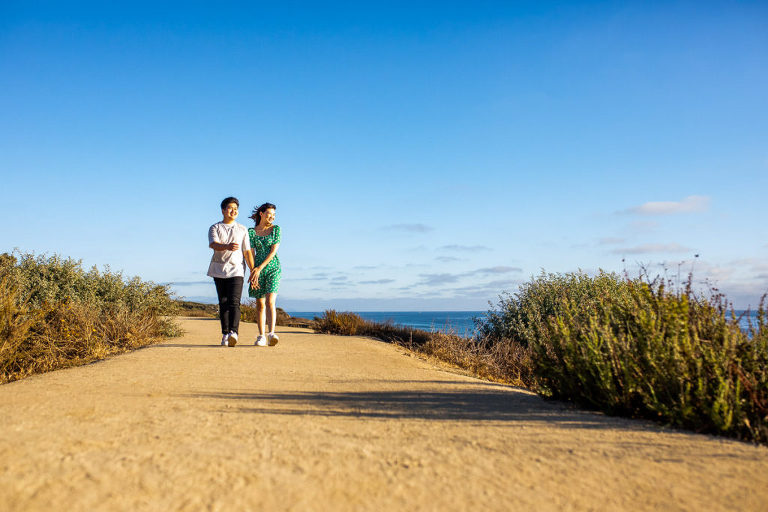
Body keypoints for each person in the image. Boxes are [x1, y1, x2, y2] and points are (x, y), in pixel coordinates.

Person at [207, 197, 257, 347]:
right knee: (223, 303)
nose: (233, 211)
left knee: (234, 302)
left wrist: (252, 271)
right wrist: (227, 246)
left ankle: (233, 333)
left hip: (237, 270)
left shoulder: (242, 229)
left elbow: (247, 252)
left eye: (236, 209)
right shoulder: (215, 227)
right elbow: (213, 244)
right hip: (219, 269)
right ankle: (225, 334)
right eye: (230, 208)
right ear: (223, 210)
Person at [248, 202, 281, 347]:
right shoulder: (251, 232)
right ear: (261, 214)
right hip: (256, 270)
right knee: (260, 303)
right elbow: (250, 253)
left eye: (274, 215)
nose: (272, 217)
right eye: (269, 214)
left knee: (270, 301)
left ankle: (271, 333)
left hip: (273, 267)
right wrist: (253, 271)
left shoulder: (276, 230)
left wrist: (260, 267)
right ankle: (261, 336)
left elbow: (273, 251)